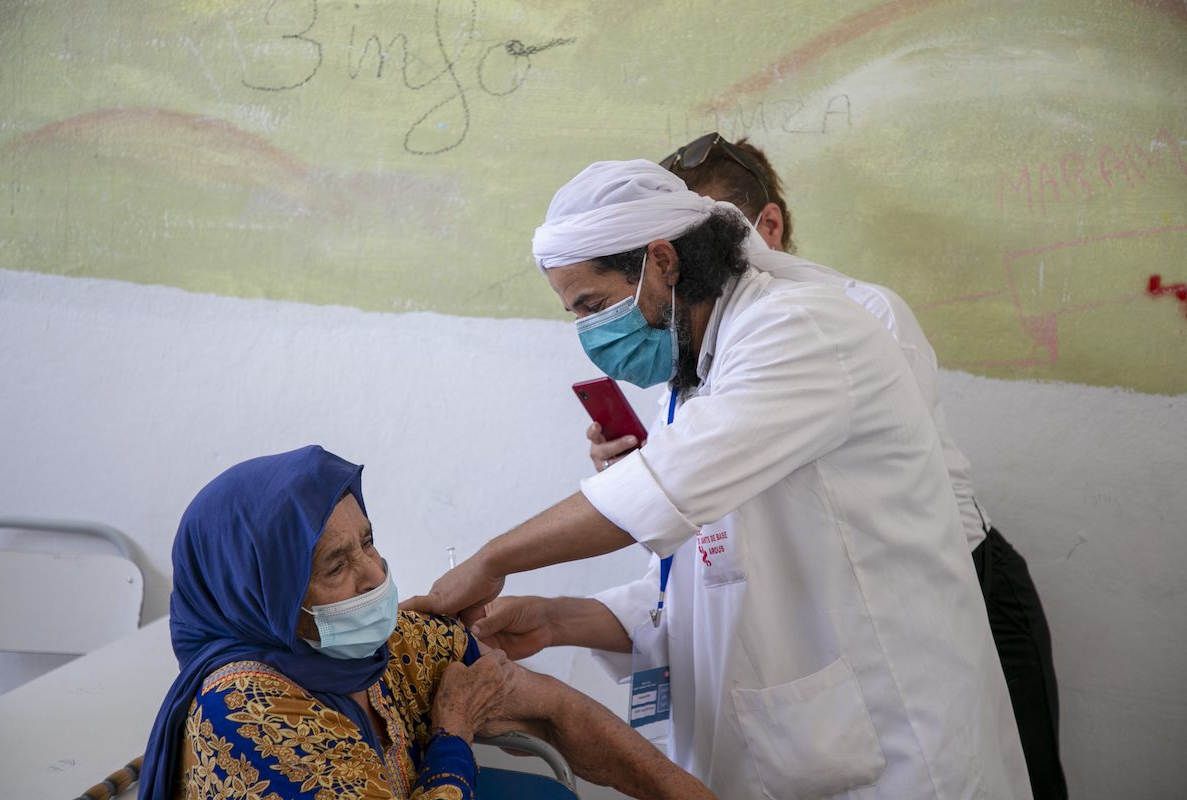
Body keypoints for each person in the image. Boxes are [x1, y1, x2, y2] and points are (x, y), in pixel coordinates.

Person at [405, 160, 1032, 798]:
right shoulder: (695, 378)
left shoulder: (798, 331)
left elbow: (654, 494)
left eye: (592, 306)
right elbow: (692, 587)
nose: (589, 334)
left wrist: (491, 561)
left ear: (662, 262)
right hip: (784, 744)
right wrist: (554, 618)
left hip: (893, 740)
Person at [639, 132, 1064, 800]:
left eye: (702, 235)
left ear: (766, 225)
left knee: (1006, 770)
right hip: (853, 599)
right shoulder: (716, 340)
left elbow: (833, 480)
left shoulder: (857, 315)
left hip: (966, 577)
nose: (686, 266)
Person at [139, 445, 715, 800]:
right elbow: (474, 713)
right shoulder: (244, 707)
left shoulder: (386, 647)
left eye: (368, 542)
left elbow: (555, 711)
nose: (374, 576)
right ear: (259, 596)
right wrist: (452, 733)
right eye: (336, 566)